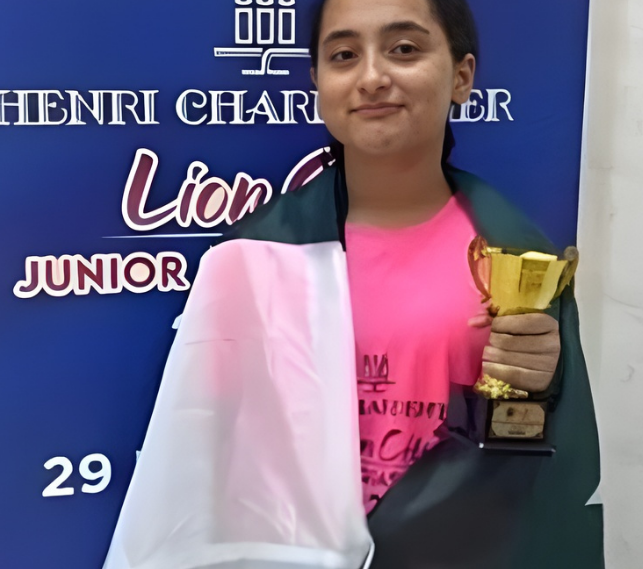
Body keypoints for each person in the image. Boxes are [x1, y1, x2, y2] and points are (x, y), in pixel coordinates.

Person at [104, 1, 603, 567]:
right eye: (343, 55)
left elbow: (543, 469)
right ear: (318, 82)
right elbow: (204, 458)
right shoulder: (252, 256)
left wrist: (537, 388)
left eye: (404, 49)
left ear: (462, 76)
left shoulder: (516, 253)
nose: (372, 77)